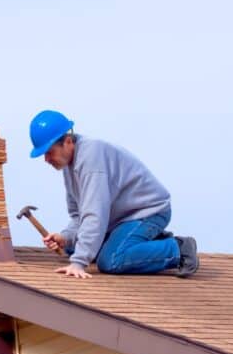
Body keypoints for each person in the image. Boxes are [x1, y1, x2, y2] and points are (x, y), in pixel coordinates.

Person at [29, 110, 199, 279]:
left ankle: (178, 248)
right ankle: (144, 242)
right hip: (120, 218)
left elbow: (95, 214)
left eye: (49, 152)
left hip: (148, 212)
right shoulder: (69, 166)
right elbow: (78, 215)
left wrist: (78, 263)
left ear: (67, 141)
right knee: (72, 246)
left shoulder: (90, 157)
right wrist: (65, 237)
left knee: (111, 260)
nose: (46, 159)